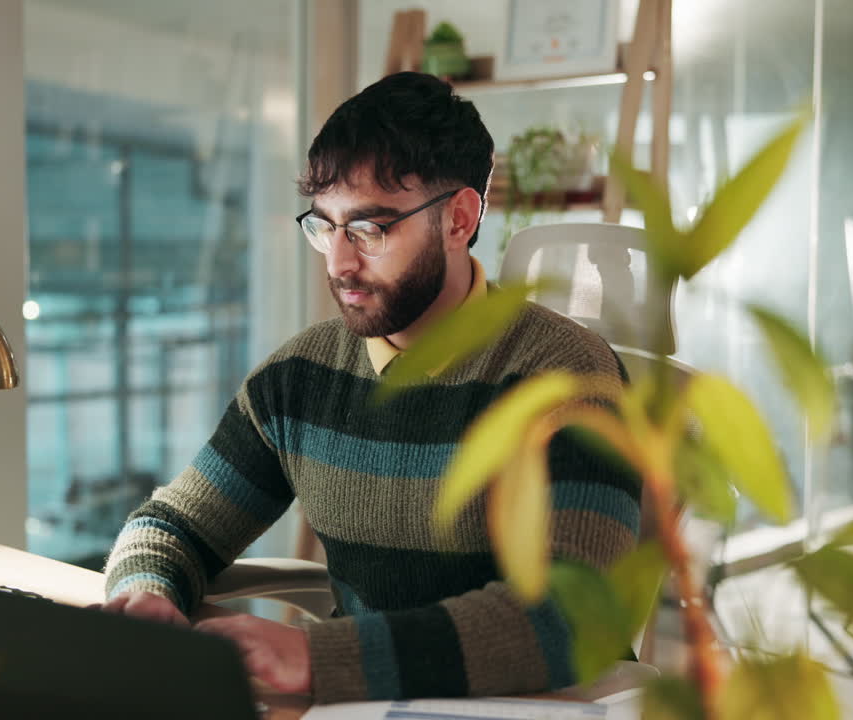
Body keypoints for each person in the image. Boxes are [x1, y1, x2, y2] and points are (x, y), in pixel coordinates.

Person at [99, 71, 641, 704]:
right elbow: (172, 524)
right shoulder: (299, 379)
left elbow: (572, 618)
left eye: (370, 229)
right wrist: (145, 595)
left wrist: (315, 656)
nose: (339, 262)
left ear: (459, 219)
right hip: (360, 705)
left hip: (539, 708)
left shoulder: (565, 377)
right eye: (325, 226)